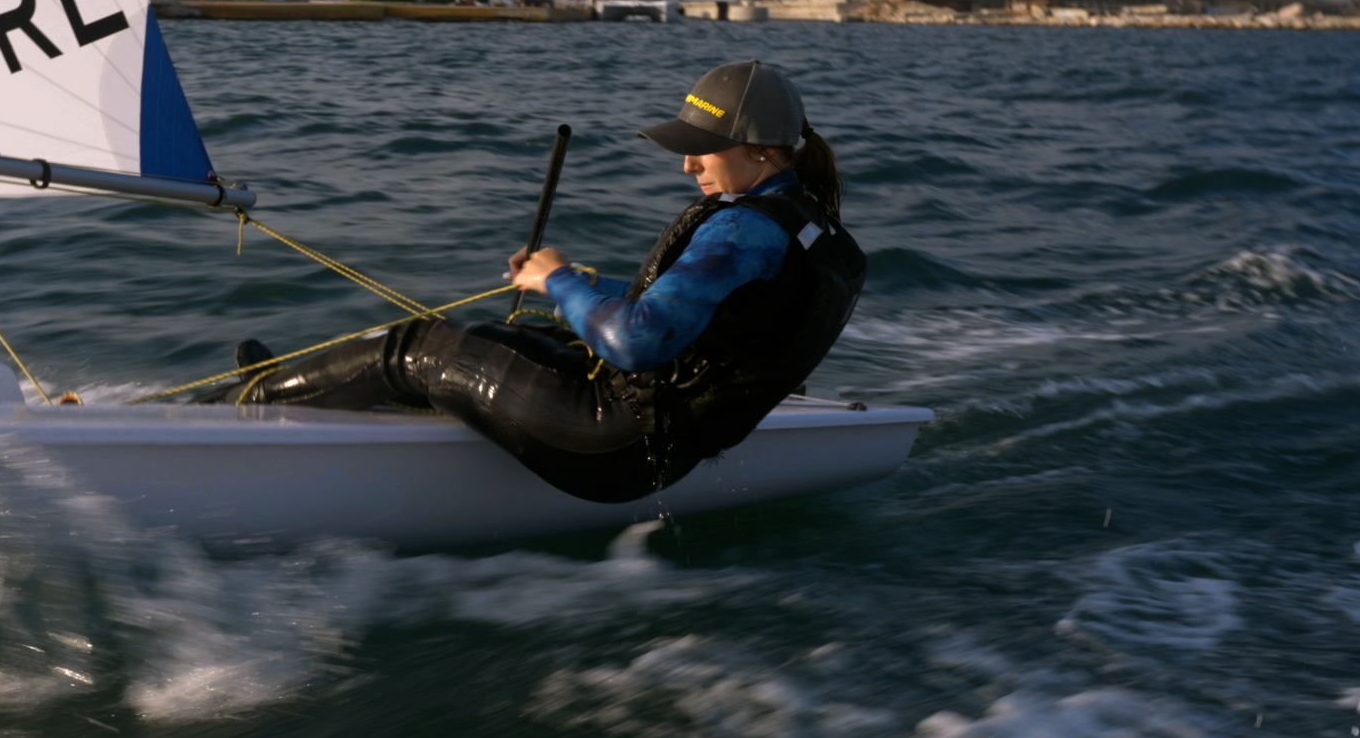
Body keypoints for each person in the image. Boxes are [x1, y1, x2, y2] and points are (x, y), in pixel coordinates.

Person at [205, 59, 866, 505]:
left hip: (614, 442)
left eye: (702, 147)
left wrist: (561, 281)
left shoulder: (742, 230)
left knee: (415, 348)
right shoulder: (808, 226)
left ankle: (241, 402)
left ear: (759, 148)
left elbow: (635, 342)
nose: (687, 164)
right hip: (665, 440)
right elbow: (722, 314)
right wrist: (574, 282)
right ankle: (369, 399)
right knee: (502, 338)